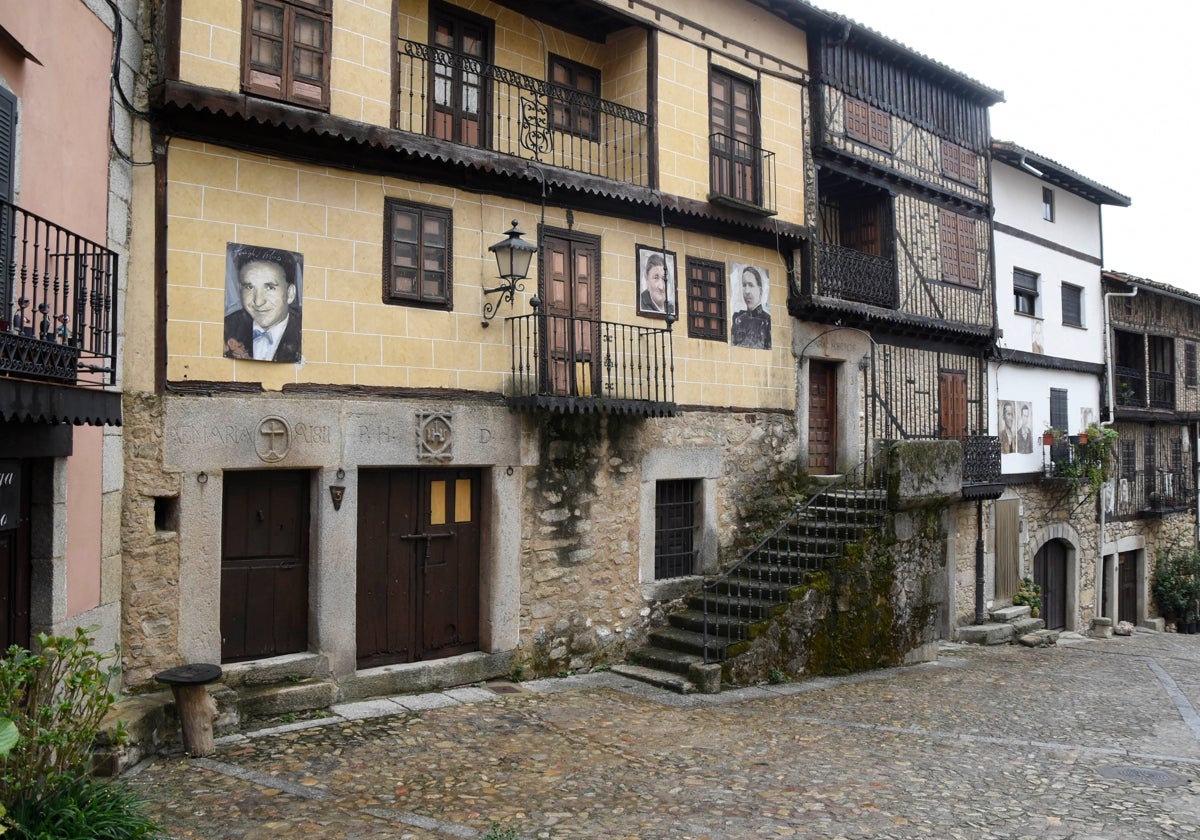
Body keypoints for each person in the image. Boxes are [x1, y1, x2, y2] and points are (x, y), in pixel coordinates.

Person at [224, 249, 302, 362]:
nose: (258, 302)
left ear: (290, 294)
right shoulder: (227, 328)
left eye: (270, 288)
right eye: (249, 287)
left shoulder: (306, 333)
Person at [731, 265, 771, 349]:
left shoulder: (768, 320)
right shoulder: (737, 318)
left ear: (760, 290)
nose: (747, 291)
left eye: (751, 285)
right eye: (744, 285)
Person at [639, 252, 673, 316]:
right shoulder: (642, 303)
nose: (661, 287)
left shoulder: (671, 307)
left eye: (664, 278)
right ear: (647, 278)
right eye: (656, 278)